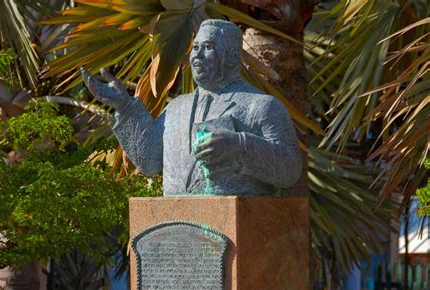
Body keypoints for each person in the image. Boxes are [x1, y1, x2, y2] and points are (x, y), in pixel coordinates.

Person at [82, 19, 302, 196]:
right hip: (178, 224)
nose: (197, 54)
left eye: (208, 47)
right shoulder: (177, 107)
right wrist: (124, 107)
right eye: (195, 47)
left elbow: (290, 170)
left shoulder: (261, 106)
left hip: (239, 226)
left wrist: (239, 145)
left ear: (233, 57)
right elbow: (150, 161)